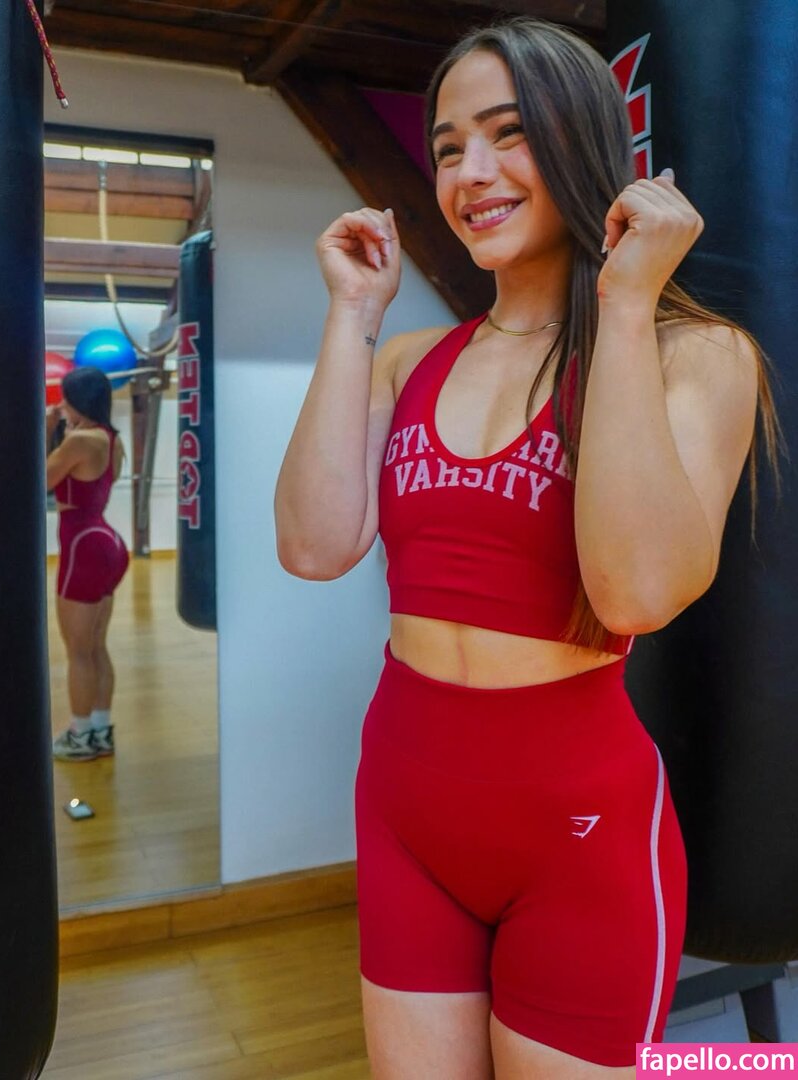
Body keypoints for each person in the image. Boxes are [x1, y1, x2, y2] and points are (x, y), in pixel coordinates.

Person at [274, 16, 779, 1078]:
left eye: (509, 133)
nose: (472, 172)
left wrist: (627, 300)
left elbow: (635, 592)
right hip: (405, 810)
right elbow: (314, 547)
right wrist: (351, 315)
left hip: (578, 834)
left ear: (580, 138)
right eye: (449, 146)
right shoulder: (408, 358)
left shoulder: (697, 355)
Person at [46, 366, 129, 762]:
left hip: (83, 545)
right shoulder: (112, 439)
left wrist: (48, 429)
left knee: (78, 651)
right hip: (106, 542)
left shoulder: (80, 440)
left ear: (78, 400)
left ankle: (79, 736)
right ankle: (99, 729)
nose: (61, 405)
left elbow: (39, 479)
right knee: (95, 646)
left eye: (65, 398)